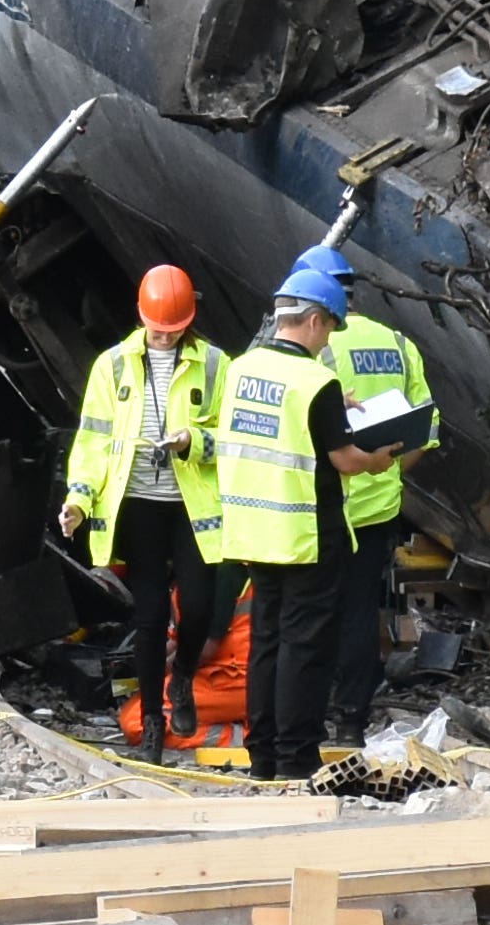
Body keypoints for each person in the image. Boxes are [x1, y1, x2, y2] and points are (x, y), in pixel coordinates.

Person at [209, 251, 405, 783]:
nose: (328, 341)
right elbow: (345, 459)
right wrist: (380, 459)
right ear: (315, 319)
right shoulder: (313, 382)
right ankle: (297, 759)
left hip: (253, 532)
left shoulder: (242, 368)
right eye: (330, 329)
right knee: (305, 649)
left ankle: (263, 756)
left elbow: (278, 426)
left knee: (265, 644)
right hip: (306, 535)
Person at [57, 265, 235, 753]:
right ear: (141, 319)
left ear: (188, 324)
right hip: (136, 503)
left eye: (172, 332)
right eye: (156, 330)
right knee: (151, 614)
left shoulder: (216, 365)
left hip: (192, 503)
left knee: (198, 606)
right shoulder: (113, 367)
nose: (162, 338)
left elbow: (233, 437)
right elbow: (92, 441)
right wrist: (78, 498)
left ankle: (183, 675)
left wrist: (192, 440)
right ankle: (154, 717)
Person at [320, 272, 435, 752]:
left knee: (313, 612)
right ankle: (351, 720)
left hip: (326, 506)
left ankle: (310, 711)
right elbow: (425, 429)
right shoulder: (398, 344)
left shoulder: (319, 346)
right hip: (378, 507)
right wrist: (386, 471)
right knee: (362, 613)